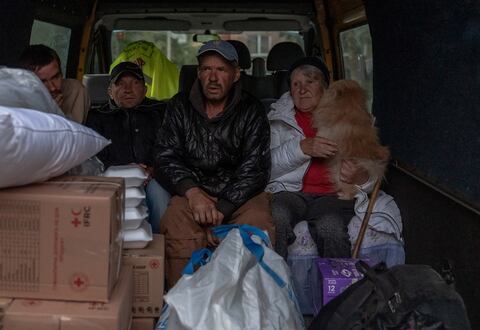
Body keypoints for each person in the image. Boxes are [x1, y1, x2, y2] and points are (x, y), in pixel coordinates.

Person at [155, 40, 274, 287]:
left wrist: (221, 210)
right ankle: (185, 306)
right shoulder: (179, 106)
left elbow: (255, 168)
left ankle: (250, 309)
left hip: (240, 197)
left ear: (236, 74)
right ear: (198, 73)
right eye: (206, 69)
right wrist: (193, 192)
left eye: (221, 70)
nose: (212, 77)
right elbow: (166, 156)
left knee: (257, 225)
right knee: (175, 222)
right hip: (194, 194)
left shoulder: (251, 110)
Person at [266, 56, 373, 260]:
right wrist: (300, 148)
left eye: (310, 82)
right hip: (289, 193)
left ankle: (340, 292)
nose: (302, 89)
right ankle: (275, 286)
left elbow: (371, 174)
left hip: (332, 195)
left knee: (330, 227)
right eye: (295, 84)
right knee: (276, 217)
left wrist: (360, 177)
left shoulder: (350, 119)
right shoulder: (277, 120)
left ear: (325, 87)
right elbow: (264, 169)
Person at [84, 61, 170, 232]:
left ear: (145, 90)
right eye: (121, 84)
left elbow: (170, 149)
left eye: (135, 83)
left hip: (154, 177)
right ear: (110, 91)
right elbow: (92, 157)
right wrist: (124, 170)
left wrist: (152, 169)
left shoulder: (161, 112)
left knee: (159, 195)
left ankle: (160, 250)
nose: (128, 89)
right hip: (113, 180)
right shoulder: (96, 117)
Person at [19, 44, 89, 123]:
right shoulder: (16, 100)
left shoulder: (75, 90)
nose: (53, 87)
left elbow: (77, 132)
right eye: (42, 81)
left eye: (56, 77)